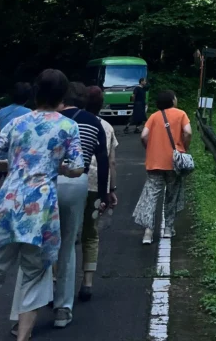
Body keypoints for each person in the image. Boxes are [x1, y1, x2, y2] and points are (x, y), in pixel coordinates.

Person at [0, 70, 84, 341]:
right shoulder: (68, 126)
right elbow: (78, 167)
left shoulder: (17, 122)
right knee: (34, 275)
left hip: (7, 202)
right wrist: (60, 169)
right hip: (40, 209)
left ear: (36, 92)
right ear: (62, 96)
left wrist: (7, 165)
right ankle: (22, 338)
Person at [50, 82, 109, 328]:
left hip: (47, 182)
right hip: (79, 183)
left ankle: (39, 297)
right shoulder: (93, 122)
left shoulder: (50, 118)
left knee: (44, 241)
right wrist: (104, 194)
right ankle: (66, 305)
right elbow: (103, 159)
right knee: (72, 242)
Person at [133, 91, 191, 244]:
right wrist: (183, 148)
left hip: (155, 163)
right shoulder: (181, 114)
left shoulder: (154, 116)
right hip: (174, 163)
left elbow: (143, 135)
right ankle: (168, 229)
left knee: (151, 196)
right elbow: (188, 132)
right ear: (172, 100)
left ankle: (148, 232)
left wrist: (150, 149)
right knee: (172, 195)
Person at [79, 86, 118, 302]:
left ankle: (56, 279)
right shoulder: (107, 127)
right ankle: (87, 282)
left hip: (73, 182)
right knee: (91, 233)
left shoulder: (73, 120)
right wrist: (111, 190)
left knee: (64, 233)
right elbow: (111, 161)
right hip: (96, 185)